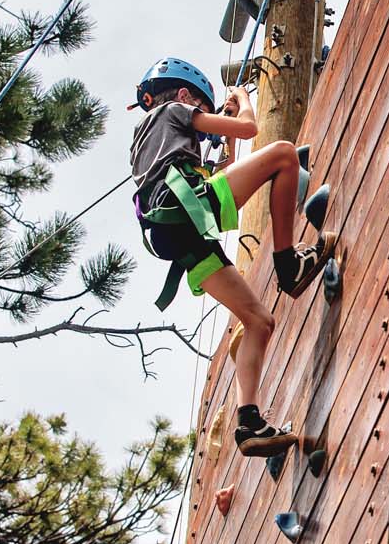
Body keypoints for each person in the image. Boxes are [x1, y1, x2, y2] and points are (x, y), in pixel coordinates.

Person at [129, 58, 335, 457]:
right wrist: (241, 98)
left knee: (259, 320)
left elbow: (221, 168)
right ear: (187, 97)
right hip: (186, 209)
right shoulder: (174, 110)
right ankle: (288, 263)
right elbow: (250, 128)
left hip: (174, 234)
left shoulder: (145, 145)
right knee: (283, 155)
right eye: (201, 111)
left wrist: (225, 140)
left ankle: (249, 423)